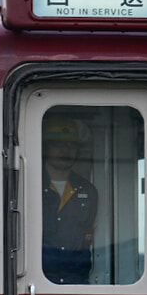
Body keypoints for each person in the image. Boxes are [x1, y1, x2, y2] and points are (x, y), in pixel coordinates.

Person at [41, 115, 98, 284]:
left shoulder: (88, 191)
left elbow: (88, 235)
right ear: (45, 148)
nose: (65, 150)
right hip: (39, 281)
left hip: (77, 281)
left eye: (71, 145)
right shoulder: (28, 186)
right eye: (58, 144)